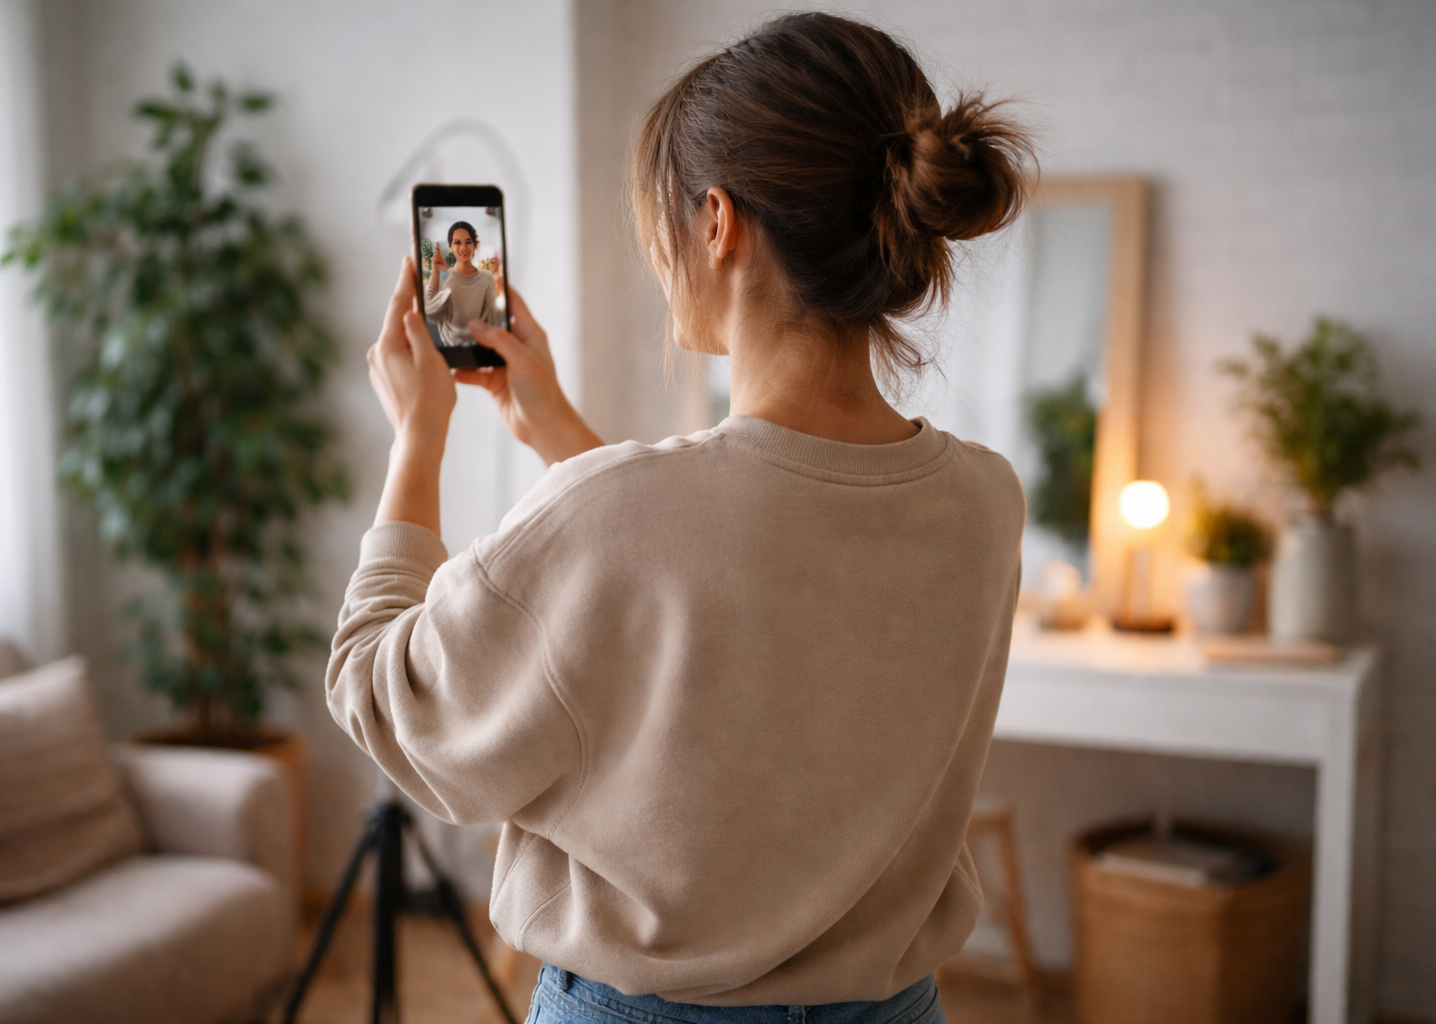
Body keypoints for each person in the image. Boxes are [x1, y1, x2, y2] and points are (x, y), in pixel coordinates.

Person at [330, 12, 1033, 1024]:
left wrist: (418, 440)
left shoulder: (615, 513)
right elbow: (734, 583)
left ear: (717, 221)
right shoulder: (984, 501)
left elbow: (382, 695)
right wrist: (558, 429)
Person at [424, 220, 501, 347]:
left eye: (468, 242)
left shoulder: (487, 278)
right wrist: (436, 271)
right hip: (450, 348)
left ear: (475, 245)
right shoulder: (445, 277)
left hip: (480, 347)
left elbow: (491, 319)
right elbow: (429, 308)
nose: (463, 248)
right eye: (457, 243)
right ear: (450, 245)